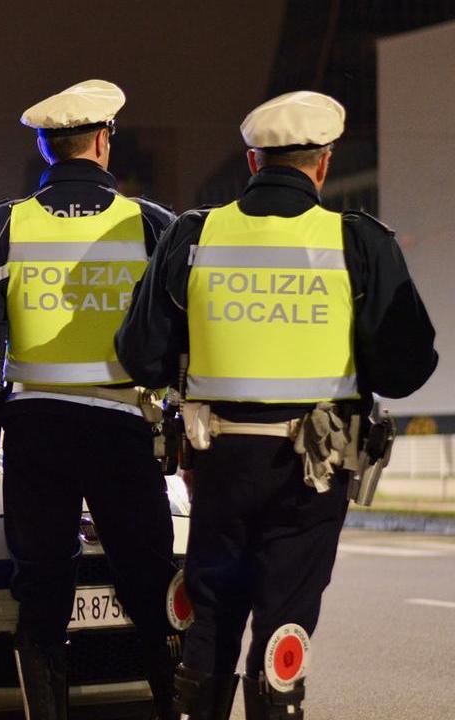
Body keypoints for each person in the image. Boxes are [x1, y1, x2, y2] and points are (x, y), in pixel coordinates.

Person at [115, 91, 438, 719]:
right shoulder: (357, 241)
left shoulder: (193, 234)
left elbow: (140, 353)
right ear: (323, 163)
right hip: (311, 470)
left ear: (252, 158)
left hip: (217, 459)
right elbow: (407, 369)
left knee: (209, 616)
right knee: (285, 620)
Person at [0, 80, 182, 720]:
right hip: (123, 431)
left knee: (43, 595)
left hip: (36, 433)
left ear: (46, 148)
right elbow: (183, 338)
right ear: (105, 141)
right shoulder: (152, 225)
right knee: (150, 585)